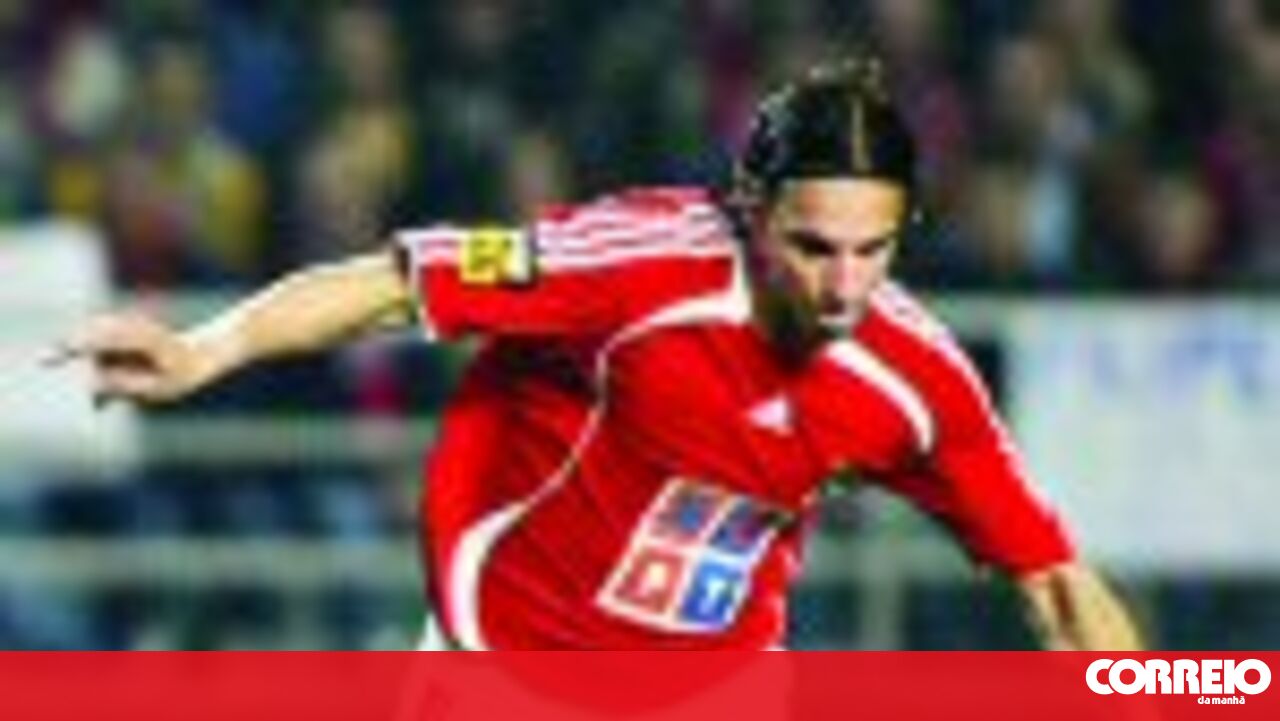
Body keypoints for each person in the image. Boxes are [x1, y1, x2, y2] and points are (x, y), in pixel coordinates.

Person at [56, 57, 1141, 651]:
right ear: (751, 211)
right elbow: (395, 282)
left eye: (874, 250)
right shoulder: (635, 264)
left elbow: (1056, 587)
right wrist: (202, 351)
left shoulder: (916, 378)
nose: (844, 287)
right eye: (813, 247)